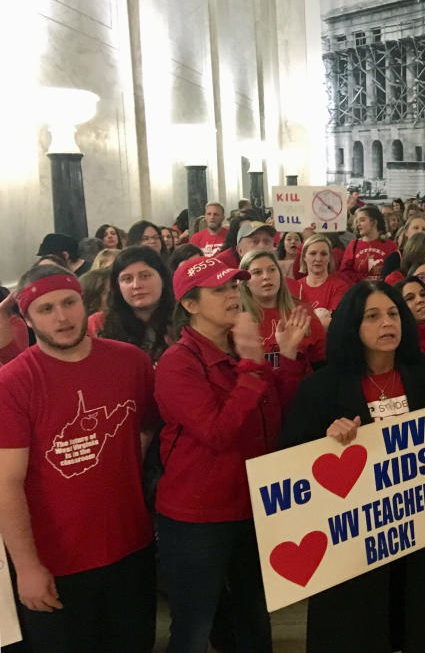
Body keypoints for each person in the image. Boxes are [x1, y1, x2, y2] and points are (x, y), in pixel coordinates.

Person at [280, 281, 425, 652]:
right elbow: (291, 462)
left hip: (421, 532)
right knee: (359, 628)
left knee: (420, 622)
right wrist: (325, 443)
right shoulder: (322, 388)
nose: (387, 323)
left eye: (393, 314)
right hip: (354, 543)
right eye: (373, 316)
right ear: (352, 325)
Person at [0, 265, 157, 652]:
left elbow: (148, 429)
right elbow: (7, 481)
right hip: (57, 562)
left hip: (130, 548)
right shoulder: (14, 382)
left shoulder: (131, 362)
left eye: (69, 303)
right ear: (28, 320)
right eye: (46, 309)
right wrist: (28, 568)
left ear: (83, 303)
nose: (62, 317)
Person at [154, 256, 307, 653]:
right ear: (189, 305)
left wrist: (285, 358)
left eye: (233, 287)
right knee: (194, 624)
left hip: (251, 504)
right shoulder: (178, 363)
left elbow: (278, 414)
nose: (232, 295)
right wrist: (254, 366)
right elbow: (218, 432)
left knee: (253, 613)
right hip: (198, 517)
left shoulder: (243, 351)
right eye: (218, 289)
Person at [239, 249, 325, 370]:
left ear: (280, 274)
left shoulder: (302, 312)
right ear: (245, 282)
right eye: (257, 272)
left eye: (272, 270)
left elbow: (322, 360)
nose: (266, 277)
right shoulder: (237, 319)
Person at [287, 234, 351, 325]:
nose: (318, 259)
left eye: (323, 254)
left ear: (329, 258)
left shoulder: (340, 286)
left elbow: (335, 324)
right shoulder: (295, 288)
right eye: (313, 253)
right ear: (304, 257)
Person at [339, 205, 398, 282]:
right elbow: (344, 272)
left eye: (362, 220)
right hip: (359, 290)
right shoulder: (353, 245)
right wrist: (364, 280)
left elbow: (395, 273)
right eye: (357, 221)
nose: (358, 224)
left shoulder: (391, 246)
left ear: (374, 222)